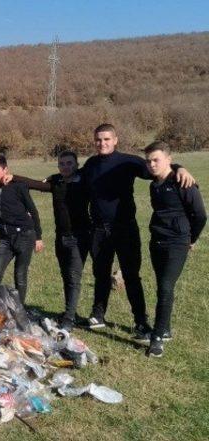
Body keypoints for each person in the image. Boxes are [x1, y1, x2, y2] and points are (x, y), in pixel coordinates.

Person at [83, 123, 194, 341]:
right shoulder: (90, 164)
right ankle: (98, 314)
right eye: (98, 139)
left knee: (132, 276)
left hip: (125, 228)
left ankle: (141, 322)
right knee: (101, 274)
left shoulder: (128, 161)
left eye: (107, 139)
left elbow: (158, 168)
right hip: (98, 230)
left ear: (115, 140)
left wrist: (179, 167)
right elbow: (72, 179)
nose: (102, 143)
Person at [12, 151, 90, 331]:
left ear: (77, 164)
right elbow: (34, 184)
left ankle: (69, 319)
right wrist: (13, 176)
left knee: (73, 277)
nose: (65, 167)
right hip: (60, 237)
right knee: (65, 276)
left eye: (69, 163)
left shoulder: (84, 180)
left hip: (80, 237)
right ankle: (70, 312)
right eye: (62, 164)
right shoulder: (57, 182)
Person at [143, 141, 206, 357]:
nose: (151, 164)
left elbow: (200, 215)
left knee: (165, 287)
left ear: (168, 160)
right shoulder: (154, 184)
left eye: (156, 160)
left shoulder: (184, 182)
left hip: (177, 243)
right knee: (163, 288)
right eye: (149, 160)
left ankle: (157, 337)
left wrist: (191, 239)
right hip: (157, 241)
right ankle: (165, 328)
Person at [0, 154, 43, 305]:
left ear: (5, 170)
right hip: (4, 238)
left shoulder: (18, 186)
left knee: (20, 275)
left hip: (24, 235)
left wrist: (38, 237)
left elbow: (33, 211)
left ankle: (19, 309)